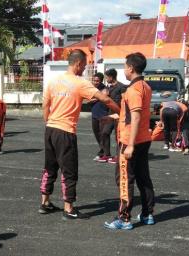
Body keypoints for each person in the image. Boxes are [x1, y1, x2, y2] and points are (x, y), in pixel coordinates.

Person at [40, 49, 120, 220]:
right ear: (77, 64)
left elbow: (45, 105)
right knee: (69, 170)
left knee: (50, 167)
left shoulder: (53, 81)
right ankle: (69, 208)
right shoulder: (79, 82)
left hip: (50, 129)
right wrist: (122, 111)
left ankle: (45, 202)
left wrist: (49, 122)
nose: (84, 69)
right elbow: (105, 99)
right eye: (84, 65)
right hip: (65, 131)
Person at [105, 52, 155, 231]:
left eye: (125, 66)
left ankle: (124, 218)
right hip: (143, 138)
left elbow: (135, 117)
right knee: (143, 177)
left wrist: (130, 145)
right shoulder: (145, 86)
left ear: (131, 68)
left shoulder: (133, 90)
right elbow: (133, 115)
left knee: (125, 179)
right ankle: (148, 213)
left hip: (130, 140)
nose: (124, 70)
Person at [101, 68, 127, 164]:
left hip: (119, 115)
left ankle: (118, 156)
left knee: (118, 136)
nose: (106, 79)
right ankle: (106, 154)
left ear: (111, 77)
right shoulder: (108, 88)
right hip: (110, 114)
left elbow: (125, 101)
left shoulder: (122, 87)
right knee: (105, 133)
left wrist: (122, 114)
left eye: (107, 77)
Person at [89, 72, 109, 162]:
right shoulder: (91, 89)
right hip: (94, 114)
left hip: (103, 115)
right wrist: (99, 97)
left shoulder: (105, 88)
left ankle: (105, 153)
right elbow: (86, 100)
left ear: (101, 81)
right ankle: (102, 151)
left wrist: (94, 98)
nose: (95, 82)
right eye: (94, 80)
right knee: (97, 134)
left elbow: (105, 97)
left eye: (97, 81)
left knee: (103, 134)